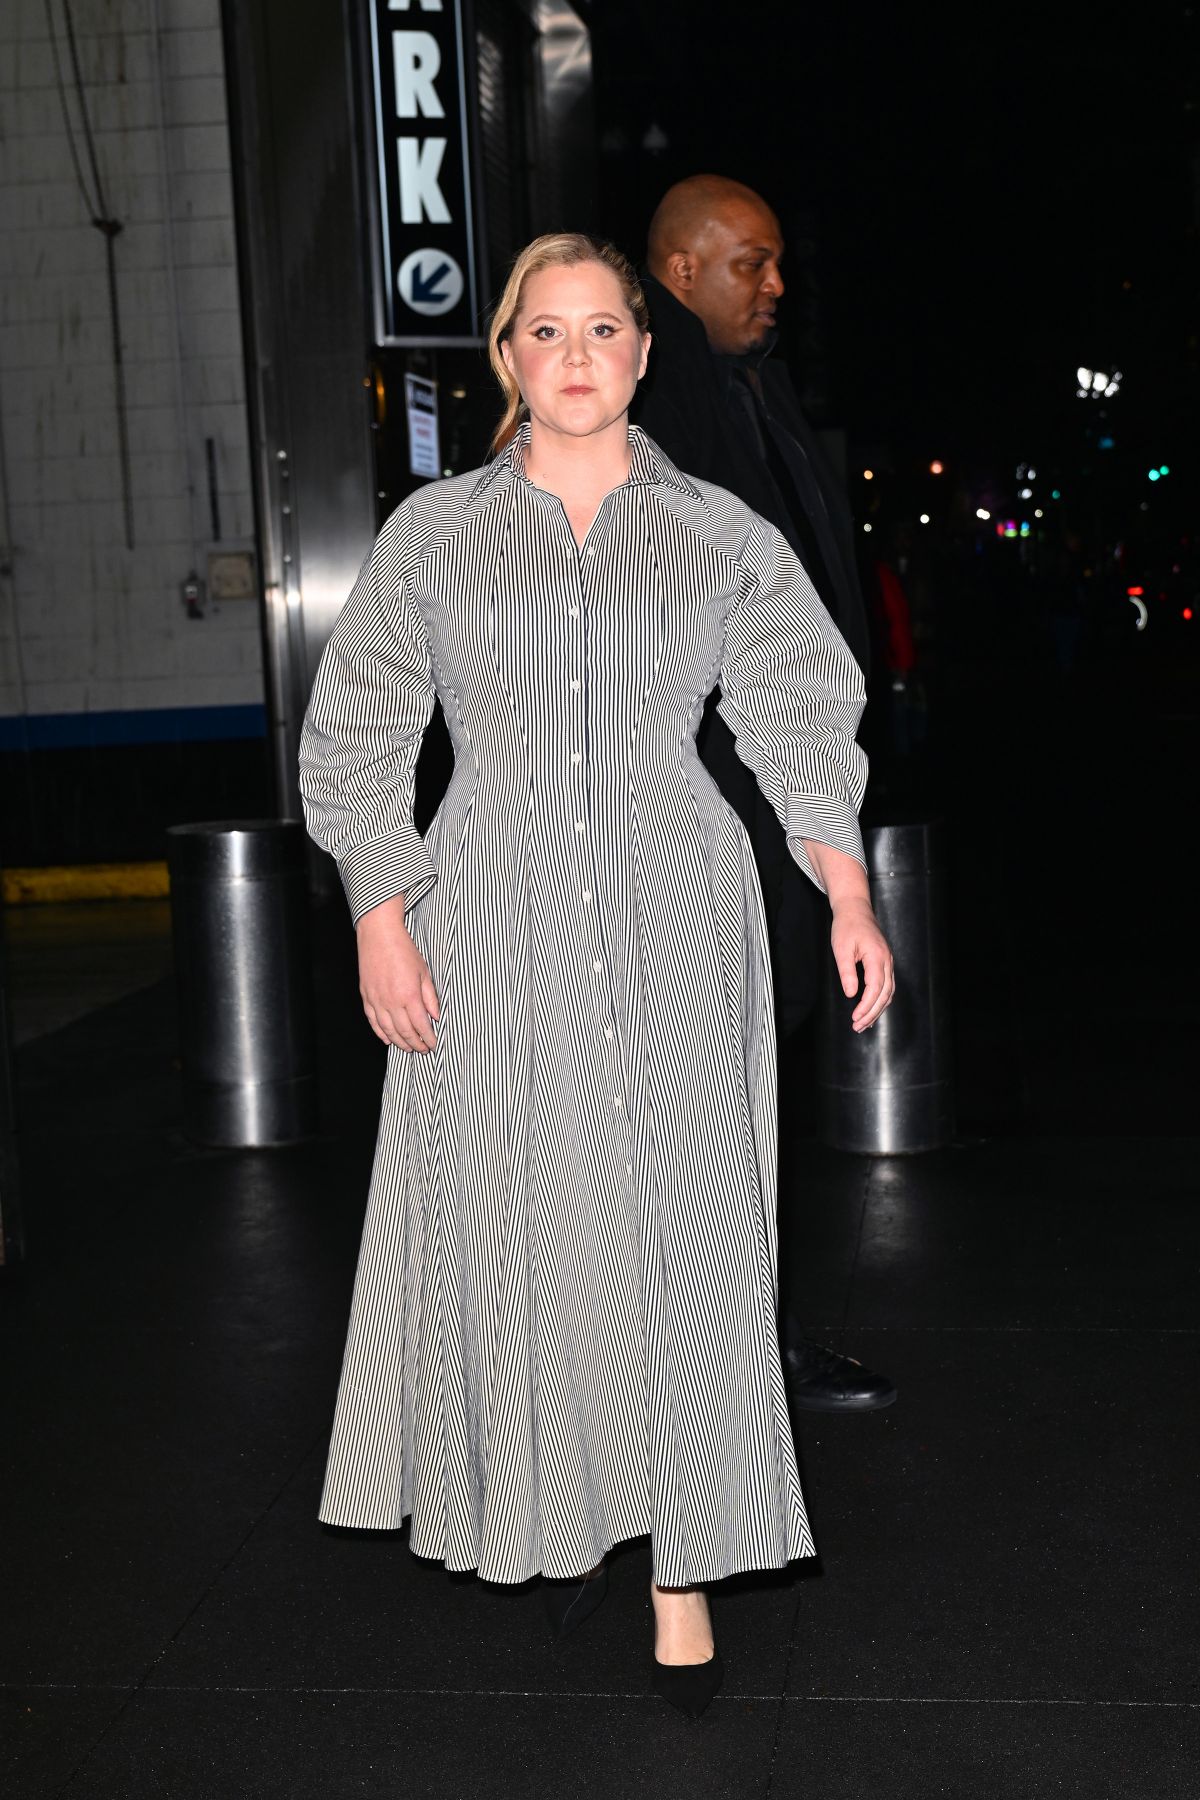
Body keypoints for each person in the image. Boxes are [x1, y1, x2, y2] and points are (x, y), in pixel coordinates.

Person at [298, 234, 893, 1718]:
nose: (575, 356)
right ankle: (551, 1504)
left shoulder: (715, 531)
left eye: (604, 330)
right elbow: (360, 731)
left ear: (642, 352)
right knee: (528, 1212)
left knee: (688, 1226)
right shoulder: (435, 532)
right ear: (506, 357)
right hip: (484, 903)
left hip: (681, 895)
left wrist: (847, 889)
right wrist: (383, 911)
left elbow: (799, 708)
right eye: (543, 331)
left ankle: (682, 1564)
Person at [633, 175, 897, 1414]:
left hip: (763, 801)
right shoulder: (663, 398)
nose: (776, 286)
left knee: (753, 1073)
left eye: (779, 263)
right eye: (754, 264)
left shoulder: (748, 387)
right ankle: (713, 1360)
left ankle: (741, 1341)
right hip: (712, 813)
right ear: (679, 271)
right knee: (715, 1082)